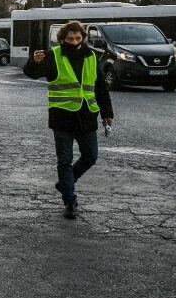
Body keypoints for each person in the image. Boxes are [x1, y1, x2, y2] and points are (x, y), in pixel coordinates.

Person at [23, 20, 114, 219]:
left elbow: (100, 88)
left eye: (78, 38)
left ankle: (65, 183)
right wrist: (33, 61)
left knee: (91, 156)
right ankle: (70, 201)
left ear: (83, 38)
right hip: (62, 117)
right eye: (70, 38)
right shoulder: (53, 56)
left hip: (87, 115)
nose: (74, 41)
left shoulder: (91, 56)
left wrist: (107, 113)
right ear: (63, 39)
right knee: (64, 160)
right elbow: (31, 73)